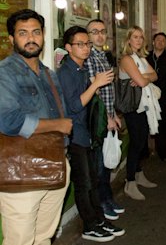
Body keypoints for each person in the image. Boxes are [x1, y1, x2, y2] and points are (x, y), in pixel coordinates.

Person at [0, 9, 73, 245]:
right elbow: (8, 120)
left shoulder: (48, 74)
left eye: (36, 32)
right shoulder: (5, 73)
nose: (30, 38)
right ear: (11, 39)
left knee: (44, 237)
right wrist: (58, 125)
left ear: (43, 35)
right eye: (23, 33)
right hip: (20, 170)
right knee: (20, 241)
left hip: (55, 163)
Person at [57, 26, 125, 242]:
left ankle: (98, 219)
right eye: (80, 44)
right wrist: (95, 84)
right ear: (68, 47)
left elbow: (90, 102)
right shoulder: (65, 72)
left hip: (88, 133)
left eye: (87, 44)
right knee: (84, 183)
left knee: (93, 180)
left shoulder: (82, 69)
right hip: (75, 135)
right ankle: (90, 225)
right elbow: (75, 106)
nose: (86, 48)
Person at [85, 19, 125, 220]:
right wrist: (108, 117)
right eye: (95, 32)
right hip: (99, 120)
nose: (100, 35)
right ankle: (101, 204)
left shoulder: (104, 56)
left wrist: (114, 113)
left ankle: (108, 198)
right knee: (99, 167)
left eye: (102, 31)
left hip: (109, 115)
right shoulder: (90, 58)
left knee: (107, 164)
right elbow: (96, 91)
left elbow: (109, 90)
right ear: (88, 36)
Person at [119, 26, 159, 200]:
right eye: (135, 37)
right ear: (128, 39)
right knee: (136, 143)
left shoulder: (140, 58)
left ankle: (138, 173)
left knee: (142, 142)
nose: (139, 40)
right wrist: (144, 78)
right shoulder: (127, 59)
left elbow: (154, 76)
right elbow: (142, 82)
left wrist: (144, 77)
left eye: (141, 37)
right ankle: (130, 182)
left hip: (142, 105)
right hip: (133, 106)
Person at [146, 32, 166, 161]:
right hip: (147, 94)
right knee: (146, 122)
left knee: (163, 124)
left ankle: (163, 152)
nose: (161, 42)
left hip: (163, 95)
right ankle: (147, 150)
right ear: (153, 42)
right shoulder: (146, 58)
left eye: (163, 40)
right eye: (158, 40)